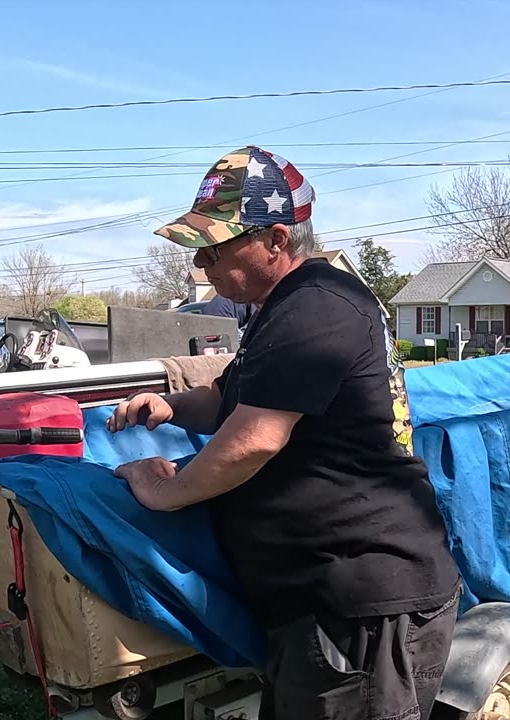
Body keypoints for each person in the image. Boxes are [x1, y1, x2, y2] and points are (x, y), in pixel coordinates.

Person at [107, 146, 461, 720]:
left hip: (360, 607)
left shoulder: (316, 309)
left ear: (276, 240)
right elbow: (230, 399)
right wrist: (169, 406)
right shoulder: (282, 308)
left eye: (217, 248)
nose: (204, 267)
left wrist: (162, 490)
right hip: (323, 602)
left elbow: (255, 438)